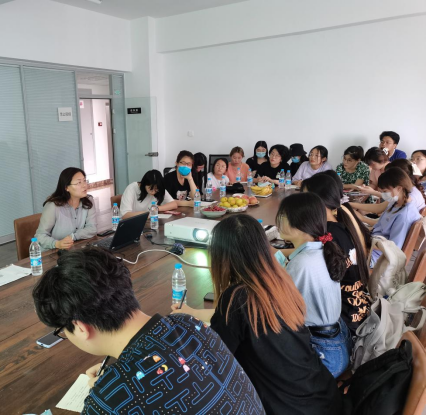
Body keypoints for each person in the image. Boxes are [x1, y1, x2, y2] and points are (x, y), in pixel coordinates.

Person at [32, 247, 265, 414]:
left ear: (80, 328)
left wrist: (107, 395)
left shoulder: (107, 404)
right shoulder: (189, 323)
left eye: (62, 331)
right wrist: (110, 387)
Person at [172, 215, 343, 415]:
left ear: (222, 257)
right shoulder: (279, 282)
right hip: (323, 397)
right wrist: (194, 314)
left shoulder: (237, 297)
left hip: (288, 408)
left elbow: (213, 359)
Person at [275, 193, 351, 378]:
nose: (278, 221)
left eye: (282, 216)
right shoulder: (322, 249)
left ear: (300, 223)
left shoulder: (302, 263)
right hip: (337, 342)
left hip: (324, 354)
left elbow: (279, 308)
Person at [302, 174, 372, 335]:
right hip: (357, 310)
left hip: (342, 322)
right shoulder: (338, 225)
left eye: (304, 198)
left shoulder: (328, 236)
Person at [35, 167, 97, 251]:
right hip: (52, 252)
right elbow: (40, 236)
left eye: (84, 181)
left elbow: (92, 228)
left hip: (74, 249)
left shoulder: (89, 201)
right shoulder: (53, 206)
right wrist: (57, 243)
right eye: (79, 182)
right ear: (67, 187)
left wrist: (74, 236)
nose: (84, 185)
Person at [370, 168, 422, 266]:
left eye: (385, 191)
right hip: (374, 244)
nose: (383, 195)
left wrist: (365, 243)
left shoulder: (404, 215)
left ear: (399, 188)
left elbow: (393, 249)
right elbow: (378, 226)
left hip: (379, 256)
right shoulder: (395, 203)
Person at [351, 160, 426, 225]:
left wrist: (362, 219)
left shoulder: (408, 198)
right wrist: (350, 204)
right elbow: (380, 207)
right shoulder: (403, 193)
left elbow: (386, 225)